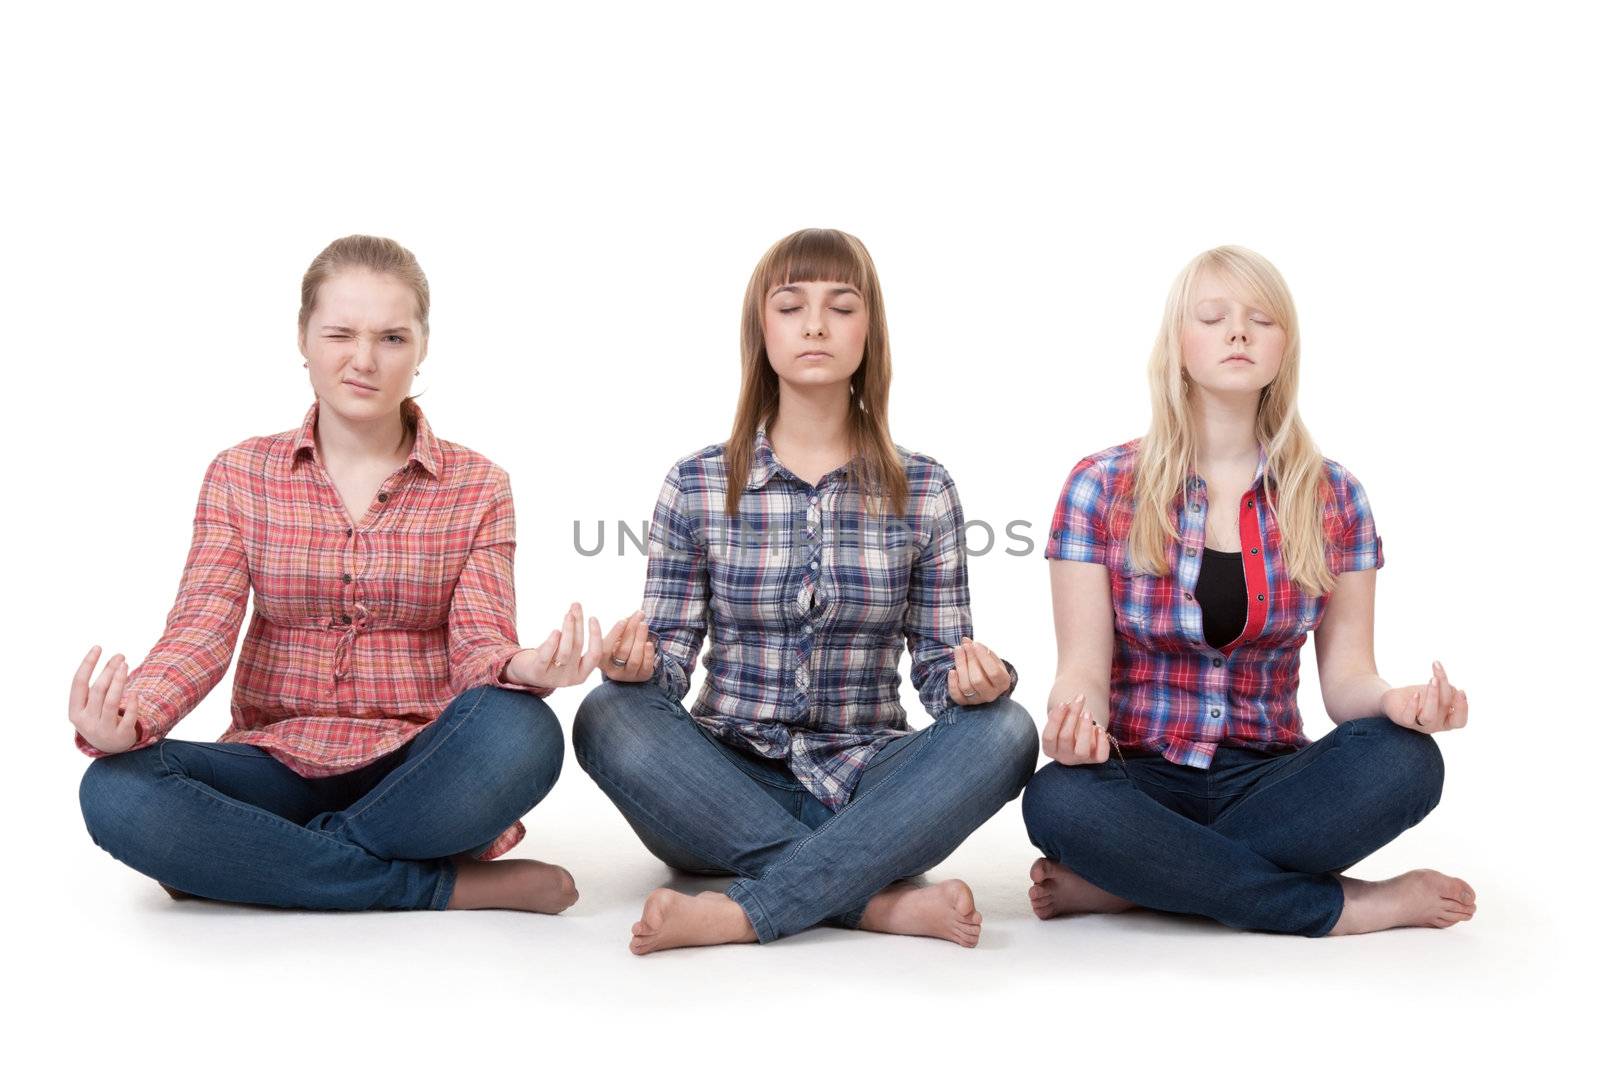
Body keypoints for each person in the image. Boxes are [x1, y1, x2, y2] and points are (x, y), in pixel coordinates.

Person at [72, 235, 601, 913]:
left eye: (390, 338)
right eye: (340, 333)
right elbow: (199, 633)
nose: (363, 359)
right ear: (303, 337)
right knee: (115, 787)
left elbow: (480, 645)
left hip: (419, 768)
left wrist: (525, 666)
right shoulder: (241, 475)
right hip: (274, 759)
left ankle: (247, 859)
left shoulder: (479, 486)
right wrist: (130, 713)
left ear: (421, 348)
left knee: (525, 732)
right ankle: (434, 884)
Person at [574, 228, 1038, 954]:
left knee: (1008, 731)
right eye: (791, 306)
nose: (816, 324)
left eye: (841, 306)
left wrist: (981, 683)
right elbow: (665, 668)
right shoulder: (696, 482)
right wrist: (634, 666)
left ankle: (741, 910)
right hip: (720, 781)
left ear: (869, 332)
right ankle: (873, 902)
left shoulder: (924, 488)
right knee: (607, 714)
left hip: (871, 781)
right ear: (762, 331)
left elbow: (943, 677)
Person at [1022, 245, 1475, 936]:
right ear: (1178, 345)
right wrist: (1072, 723)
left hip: (1268, 780)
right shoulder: (1100, 485)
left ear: (1284, 348)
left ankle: (1140, 881)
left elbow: (1347, 679)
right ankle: (1350, 906)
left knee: (1407, 761)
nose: (1238, 331)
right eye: (1213, 317)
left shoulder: (1335, 496)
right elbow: (1080, 670)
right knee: (1056, 800)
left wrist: (1396, 702)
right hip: (1140, 776)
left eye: (1260, 319)